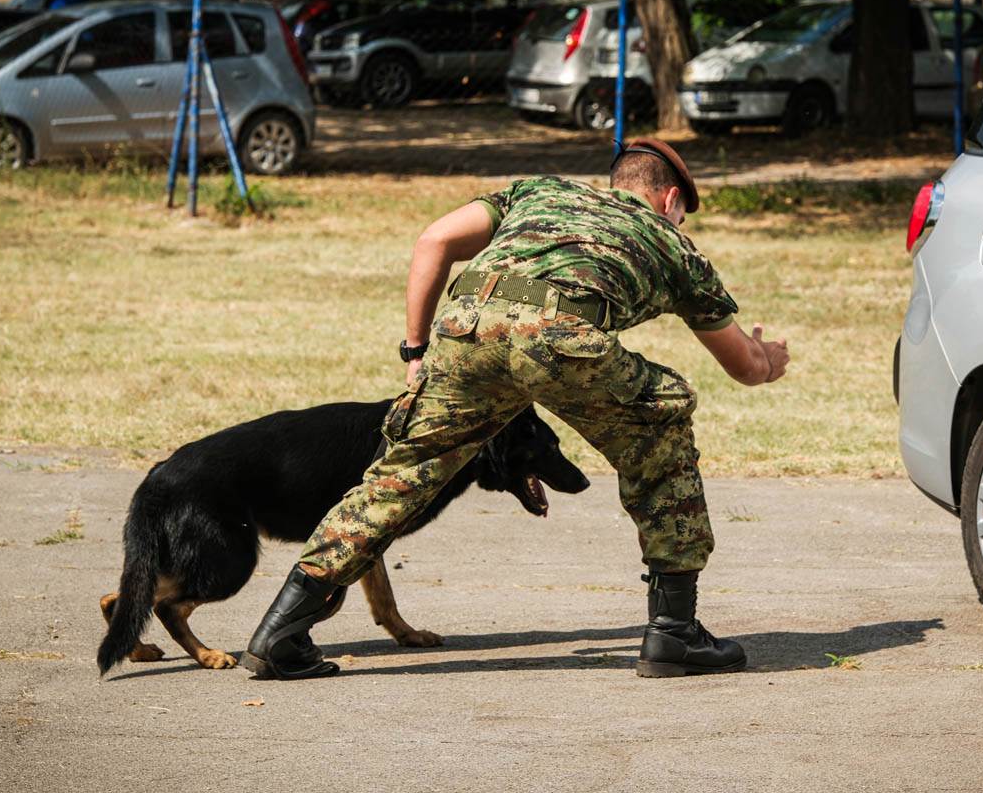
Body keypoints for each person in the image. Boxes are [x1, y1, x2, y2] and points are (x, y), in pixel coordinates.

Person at [240, 138, 790, 680]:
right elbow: (744, 366)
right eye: (682, 215)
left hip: (466, 328)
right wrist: (769, 358)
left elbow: (434, 240)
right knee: (662, 427)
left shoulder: (539, 192)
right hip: (561, 336)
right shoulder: (672, 244)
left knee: (399, 475)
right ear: (670, 200)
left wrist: (416, 351)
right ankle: (674, 632)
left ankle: (281, 631)